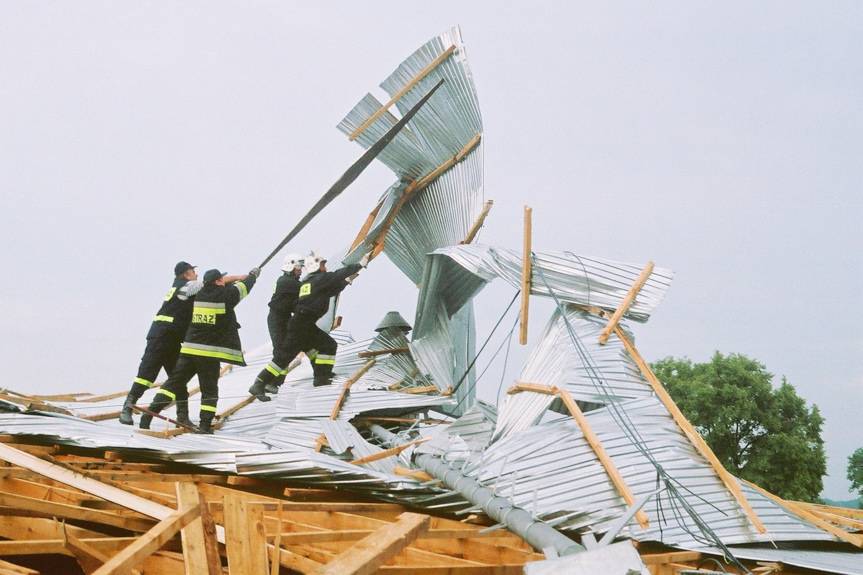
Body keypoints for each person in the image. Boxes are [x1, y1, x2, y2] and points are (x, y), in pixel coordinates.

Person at [139, 267, 259, 433]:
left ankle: (148, 416)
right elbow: (244, 287)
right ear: (218, 281)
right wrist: (252, 275)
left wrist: (237, 277)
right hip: (209, 353)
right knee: (209, 390)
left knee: (173, 384)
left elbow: (227, 284)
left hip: (189, 350)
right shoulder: (226, 295)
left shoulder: (200, 294)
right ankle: (204, 425)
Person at [248, 251, 367, 393]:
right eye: (323, 264)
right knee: (284, 356)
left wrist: (346, 282)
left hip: (304, 323)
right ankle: (260, 383)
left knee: (327, 345)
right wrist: (359, 265)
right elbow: (334, 277)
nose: (325, 267)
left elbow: (328, 291)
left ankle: (321, 376)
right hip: (298, 324)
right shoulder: (306, 281)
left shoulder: (310, 283)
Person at [119, 261, 203, 425]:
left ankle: (183, 416)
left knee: (178, 378)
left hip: (172, 340)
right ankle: (126, 409)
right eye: (193, 271)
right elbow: (204, 284)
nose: (196, 274)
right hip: (160, 339)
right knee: (146, 376)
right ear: (186, 274)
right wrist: (233, 279)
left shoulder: (182, 288)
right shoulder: (183, 287)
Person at [247, 254, 304, 400]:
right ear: (290, 267)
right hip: (277, 319)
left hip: (284, 318)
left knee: (286, 351)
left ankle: (274, 383)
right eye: (298, 267)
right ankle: (260, 383)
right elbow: (307, 289)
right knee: (280, 352)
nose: (301, 270)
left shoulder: (292, 281)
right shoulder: (286, 282)